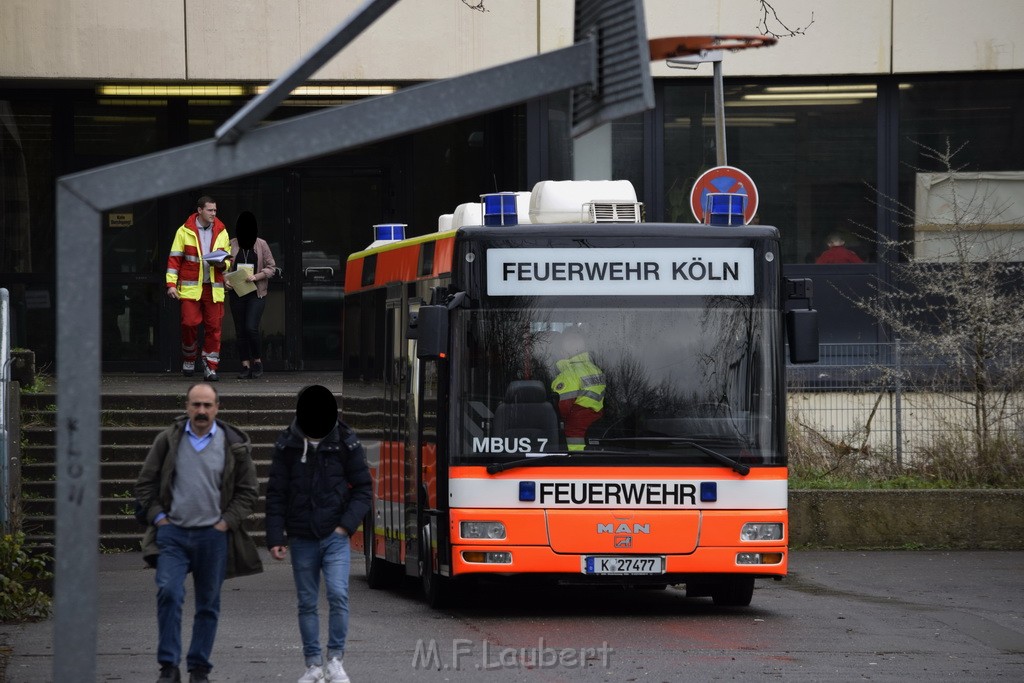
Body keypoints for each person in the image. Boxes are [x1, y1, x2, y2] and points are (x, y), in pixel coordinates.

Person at [134, 382, 263, 683]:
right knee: (168, 593)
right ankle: (168, 667)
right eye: (196, 404)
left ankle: (199, 668)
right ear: (187, 407)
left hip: (213, 537)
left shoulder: (233, 445)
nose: (201, 411)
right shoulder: (168, 440)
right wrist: (159, 518)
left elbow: (248, 491)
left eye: (207, 405)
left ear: (217, 408)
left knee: (208, 604)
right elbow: (145, 484)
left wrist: (225, 522)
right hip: (173, 534)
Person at [265, 385, 373, 683]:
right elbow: (276, 493)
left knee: (339, 594)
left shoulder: (345, 442)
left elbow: (363, 489)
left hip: (335, 536)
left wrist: (345, 526)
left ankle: (335, 660)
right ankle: (313, 665)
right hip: (301, 536)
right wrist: (276, 537)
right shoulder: (287, 444)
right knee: (307, 601)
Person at [167, 196, 232, 381]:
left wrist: (223, 266)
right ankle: (189, 358)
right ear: (200, 210)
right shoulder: (184, 230)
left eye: (215, 210)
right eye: (210, 210)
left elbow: (228, 261)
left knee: (214, 328)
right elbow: (174, 259)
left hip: (213, 287)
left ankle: (210, 367)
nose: (214, 213)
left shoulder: (222, 231)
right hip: (191, 288)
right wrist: (171, 284)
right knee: (189, 323)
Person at [225, 210, 276, 379]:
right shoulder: (230, 244)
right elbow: (222, 268)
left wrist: (256, 276)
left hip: (256, 293)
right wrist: (225, 280)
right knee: (240, 331)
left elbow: (271, 268)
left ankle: (258, 361)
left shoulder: (261, 244)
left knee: (250, 328)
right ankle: (245, 365)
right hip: (237, 293)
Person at [550, 329, 606, 451]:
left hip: (575, 445)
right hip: (593, 431)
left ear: (562, 351)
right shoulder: (595, 369)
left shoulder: (569, 374)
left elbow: (559, 410)